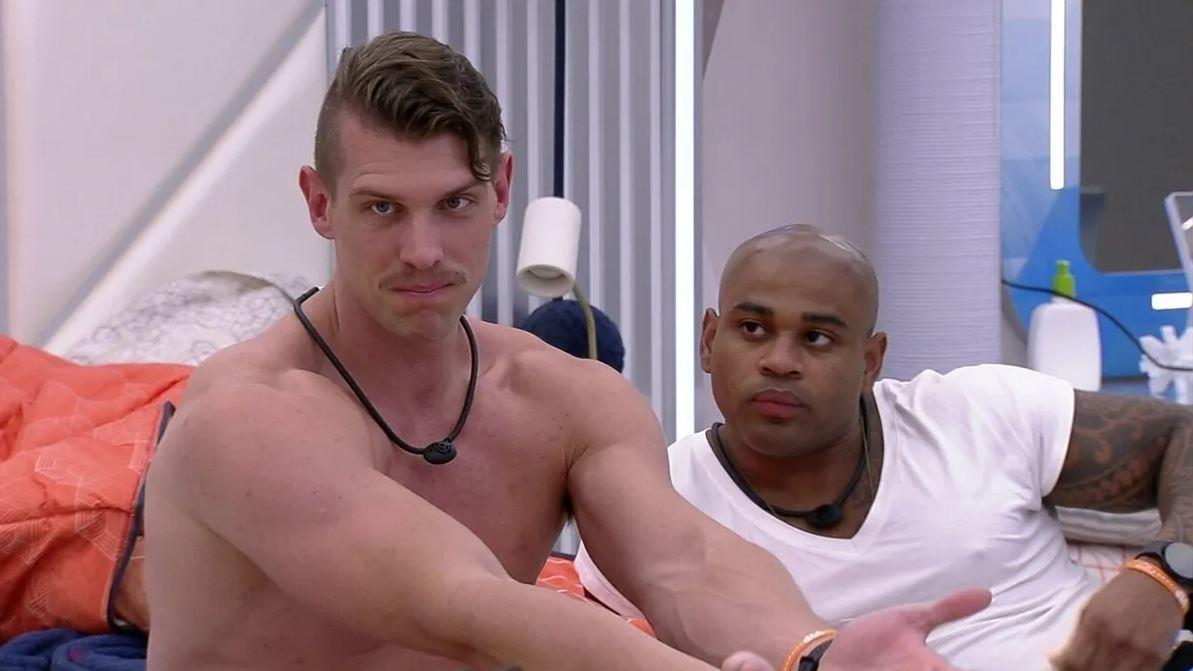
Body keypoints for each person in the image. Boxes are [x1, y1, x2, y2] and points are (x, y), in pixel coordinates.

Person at [142, 33, 990, 671]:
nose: (424, 251)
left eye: (454, 203)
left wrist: (810, 652)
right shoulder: (247, 416)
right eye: (382, 209)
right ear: (320, 204)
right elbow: (464, 602)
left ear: (502, 191)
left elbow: (680, 559)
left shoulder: (565, 401)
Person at [575, 225, 1193, 671]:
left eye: (817, 338)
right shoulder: (652, 500)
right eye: (753, 328)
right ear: (709, 340)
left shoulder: (977, 411)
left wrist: (1165, 576)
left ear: (870, 361)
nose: (779, 361)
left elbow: (1182, 437)